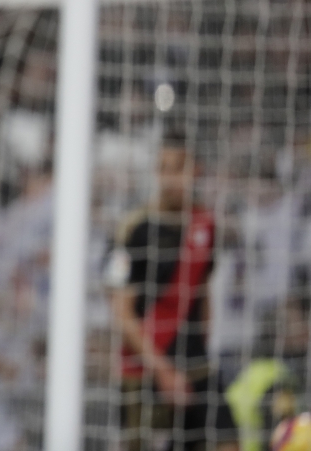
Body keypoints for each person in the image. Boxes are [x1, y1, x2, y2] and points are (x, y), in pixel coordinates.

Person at [106, 131, 237, 451]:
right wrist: (163, 371)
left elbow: (202, 293)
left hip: (195, 363)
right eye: (163, 168)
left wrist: (200, 343)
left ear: (196, 170)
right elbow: (121, 312)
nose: (170, 177)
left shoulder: (205, 223)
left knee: (228, 442)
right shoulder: (135, 228)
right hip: (145, 368)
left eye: (178, 167)